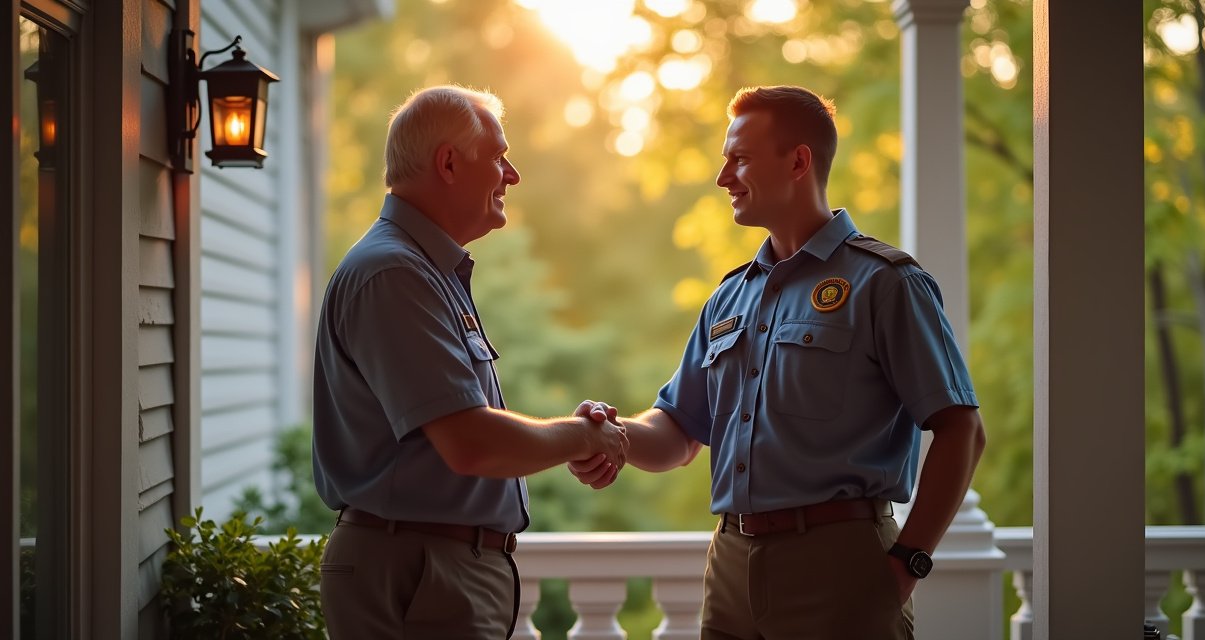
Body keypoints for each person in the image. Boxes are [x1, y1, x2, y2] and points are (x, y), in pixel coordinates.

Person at [570, 85, 986, 639]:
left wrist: (907, 563)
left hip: (841, 569)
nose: (723, 178)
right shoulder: (728, 298)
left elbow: (962, 431)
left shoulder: (886, 283)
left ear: (798, 161)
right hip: (730, 566)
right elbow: (678, 429)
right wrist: (610, 435)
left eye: (738, 159)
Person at [312, 85, 629, 640]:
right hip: (418, 575)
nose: (513, 175)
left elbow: (465, 429)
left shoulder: (423, 270)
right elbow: (471, 442)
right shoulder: (395, 274)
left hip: (430, 571)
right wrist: (583, 438)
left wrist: (576, 433)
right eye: (499, 156)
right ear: (449, 163)